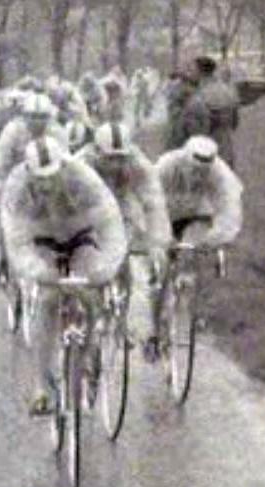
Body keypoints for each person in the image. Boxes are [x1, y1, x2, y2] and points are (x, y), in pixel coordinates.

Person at [1, 137, 127, 412]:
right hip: (42, 241)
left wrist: (105, 268)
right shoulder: (16, 186)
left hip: (80, 236)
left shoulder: (83, 177)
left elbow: (112, 224)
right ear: (28, 171)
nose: (46, 185)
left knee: (89, 289)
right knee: (47, 298)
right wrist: (40, 272)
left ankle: (92, 344)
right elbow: (16, 243)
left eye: (52, 176)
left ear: (63, 167)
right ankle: (41, 386)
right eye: (39, 178)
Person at [76, 122, 171, 346]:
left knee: (123, 255)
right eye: (109, 158)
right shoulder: (80, 163)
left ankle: (120, 323)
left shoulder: (138, 163)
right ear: (96, 151)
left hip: (121, 206)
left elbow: (153, 202)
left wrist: (157, 242)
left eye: (121, 158)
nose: (115, 164)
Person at [149, 135, 243, 360]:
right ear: (184, 160)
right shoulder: (165, 166)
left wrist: (215, 239)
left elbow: (230, 210)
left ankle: (190, 301)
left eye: (204, 172)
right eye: (194, 170)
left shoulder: (221, 174)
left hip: (197, 215)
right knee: (159, 270)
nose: (198, 175)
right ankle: (154, 331)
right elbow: (149, 203)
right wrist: (159, 237)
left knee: (191, 251)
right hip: (165, 214)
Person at [0, 93, 69, 284]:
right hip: (15, 180)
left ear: (49, 118)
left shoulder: (58, 132)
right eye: (33, 117)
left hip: (46, 181)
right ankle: (4, 262)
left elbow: (67, 165)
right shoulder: (13, 131)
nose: (38, 123)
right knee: (7, 223)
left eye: (42, 118)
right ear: (24, 117)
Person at [194, 55, 241, 168]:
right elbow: (235, 122)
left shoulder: (201, 95)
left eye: (194, 70)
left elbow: (199, 128)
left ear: (200, 72)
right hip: (227, 149)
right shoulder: (227, 91)